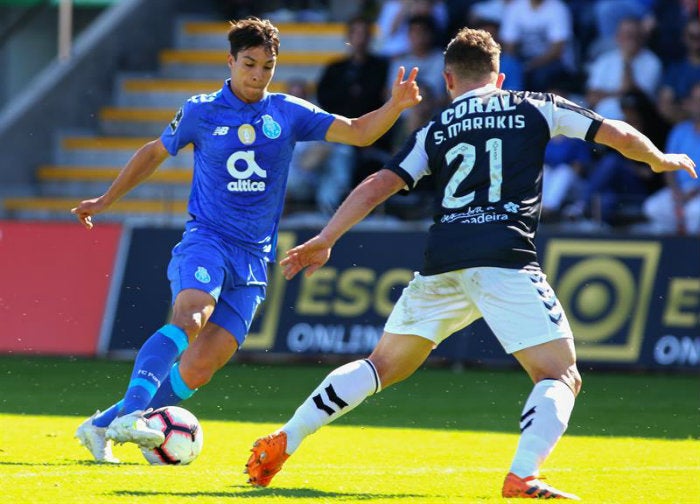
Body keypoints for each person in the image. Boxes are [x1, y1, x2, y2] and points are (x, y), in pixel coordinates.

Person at [244, 27, 697, 498]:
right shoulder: (534, 104)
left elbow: (379, 183)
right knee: (559, 374)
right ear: (499, 77)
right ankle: (522, 474)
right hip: (504, 257)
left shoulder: (436, 127)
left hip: (443, 260)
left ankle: (286, 438)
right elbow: (615, 132)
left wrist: (326, 237)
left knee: (381, 365)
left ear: (449, 80)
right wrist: (659, 157)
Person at [71, 17, 421, 463]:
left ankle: (101, 425)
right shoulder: (200, 110)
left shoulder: (287, 112)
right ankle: (135, 414)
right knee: (192, 316)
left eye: (267, 67)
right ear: (230, 61)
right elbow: (154, 152)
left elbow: (358, 132)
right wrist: (105, 200)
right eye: (250, 64)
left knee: (200, 366)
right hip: (208, 239)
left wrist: (394, 105)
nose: (258, 75)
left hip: (254, 259)